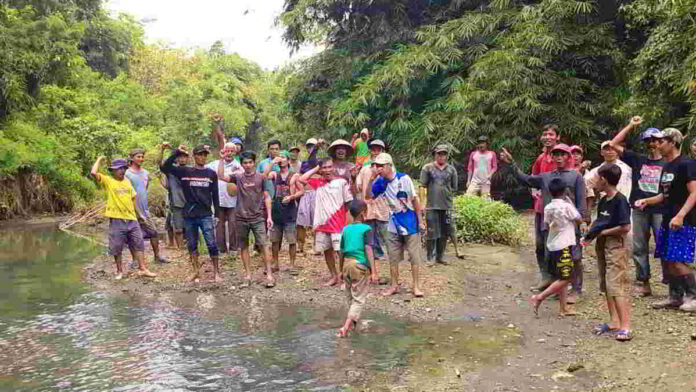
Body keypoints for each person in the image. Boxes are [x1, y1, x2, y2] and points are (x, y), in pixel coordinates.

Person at [500, 144, 587, 294]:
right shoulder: (546, 177)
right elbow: (526, 179)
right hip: (551, 225)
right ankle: (557, 287)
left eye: (562, 154)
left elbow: (581, 199)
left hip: (570, 224)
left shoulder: (576, 176)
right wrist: (511, 163)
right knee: (552, 255)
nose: (559, 157)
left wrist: (584, 220)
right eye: (556, 154)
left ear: (568, 157)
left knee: (575, 256)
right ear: (552, 157)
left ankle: (576, 289)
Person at [636, 128, 696, 312]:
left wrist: (681, 215)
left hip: (684, 220)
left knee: (678, 260)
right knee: (668, 259)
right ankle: (675, 296)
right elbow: (665, 194)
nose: (657, 145)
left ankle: (693, 296)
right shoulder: (667, 166)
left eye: (661, 141)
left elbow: (694, 192)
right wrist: (647, 200)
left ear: (673, 143)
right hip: (667, 218)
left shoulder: (687, 164)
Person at [609, 116, 666, 297]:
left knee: (663, 245)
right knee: (639, 246)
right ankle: (643, 282)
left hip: (661, 208)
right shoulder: (638, 159)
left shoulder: (668, 162)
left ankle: (672, 283)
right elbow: (613, 143)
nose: (652, 144)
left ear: (662, 142)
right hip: (639, 208)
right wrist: (632, 125)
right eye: (648, 141)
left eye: (655, 140)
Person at [581, 163, 633, 341]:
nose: (593, 181)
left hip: (616, 246)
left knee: (616, 285)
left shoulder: (620, 200)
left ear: (604, 180)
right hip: (603, 245)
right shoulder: (603, 200)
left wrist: (604, 232)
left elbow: (625, 227)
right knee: (606, 284)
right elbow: (600, 222)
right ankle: (614, 321)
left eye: (596, 178)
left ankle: (626, 326)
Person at [161, 144, 222, 283]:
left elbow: (215, 195)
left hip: (206, 214)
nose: (202, 157)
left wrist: (217, 214)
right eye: (199, 154)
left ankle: (216, 272)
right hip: (189, 215)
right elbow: (165, 167)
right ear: (194, 156)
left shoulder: (211, 174)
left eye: (204, 155)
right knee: (192, 244)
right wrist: (177, 153)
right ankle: (195, 272)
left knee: (211, 243)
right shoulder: (185, 171)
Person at [368, 153, 425, 297]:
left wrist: (421, 220)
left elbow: (414, 199)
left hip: (410, 221)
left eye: (381, 166)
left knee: (414, 255)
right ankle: (394, 285)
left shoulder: (403, 178)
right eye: (376, 166)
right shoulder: (381, 182)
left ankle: (416, 286)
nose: (378, 168)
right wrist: (371, 180)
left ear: (389, 166)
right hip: (393, 222)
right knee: (393, 256)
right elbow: (369, 196)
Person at [90, 156, 156, 279]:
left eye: (123, 168)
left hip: (132, 219)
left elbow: (133, 198)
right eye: (118, 169)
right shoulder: (109, 181)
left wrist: (139, 215)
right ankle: (119, 271)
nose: (121, 171)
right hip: (116, 220)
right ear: (113, 171)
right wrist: (99, 159)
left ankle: (143, 269)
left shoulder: (127, 182)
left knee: (139, 243)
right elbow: (93, 173)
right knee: (117, 246)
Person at [217, 151, 276, 287]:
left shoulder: (261, 178)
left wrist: (270, 216)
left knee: (264, 246)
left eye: (250, 162)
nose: (248, 165)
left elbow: (267, 197)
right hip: (241, 218)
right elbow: (220, 175)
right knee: (243, 247)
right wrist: (221, 159)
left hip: (258, 217)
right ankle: (248, 275)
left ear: (254, 162)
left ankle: (269, 275)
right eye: (245, 163)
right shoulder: (238, 177)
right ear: (242, 164)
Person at [530, 178, 583, 316]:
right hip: (565, 245)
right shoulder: (567, 206)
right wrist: (571, 203)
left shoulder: (548, 207)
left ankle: (563, 308)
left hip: (553, 245)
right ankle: (539, 297)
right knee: (567, 278)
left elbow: (547, 223)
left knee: (561, 276)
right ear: (565, 191)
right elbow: (579, 219)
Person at [298, 158, 354, 286]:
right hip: (322, 225)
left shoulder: (341, 182)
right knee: (326, 251)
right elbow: (301, 180)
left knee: (340, 252)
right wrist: (317, 168)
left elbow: (348, 202)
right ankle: (334, 276)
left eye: (330, 167)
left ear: (333, 167)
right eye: (324, 168)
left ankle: (343, 277)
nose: (327, 170)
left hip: (338, 224)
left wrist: (348, 221)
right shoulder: (318, 182)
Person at [338, 200, 379, 337]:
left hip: (346, 265)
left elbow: (342, 251)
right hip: (359, 265)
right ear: (363, 213)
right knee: (359, 299)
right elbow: (368, 249)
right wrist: (374, 271)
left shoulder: (346, 229)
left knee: (350, 297)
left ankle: (353, 327)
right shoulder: (366, 229)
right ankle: (345, 327)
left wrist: (339, 271)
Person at [530, 124, 562, 291]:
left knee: (555, 245)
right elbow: (533, 178)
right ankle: (545, 277)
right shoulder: (541, 158)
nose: (548, 137)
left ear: (557, 137)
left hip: (557, 209)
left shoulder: (563, 156)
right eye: (545, 134)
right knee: (540, 244)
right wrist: (534, 191)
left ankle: (557, 280)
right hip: (540, 208)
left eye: (551, 134)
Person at [420, 144, 463, 264]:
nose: (441, 156)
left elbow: (454, 187)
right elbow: (422, 186)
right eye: (439, 154)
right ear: (435, 154)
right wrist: (422, 204)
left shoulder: (451, 170)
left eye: (444, 154)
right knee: (432, 232)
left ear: (447, 156)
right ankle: (430, 257)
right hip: (431, 205)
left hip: (447, 205)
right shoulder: (427, 168)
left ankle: (440, 257)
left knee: (445, 232)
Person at [126, 148, 169, 265]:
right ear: (132, 158)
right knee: (132, 236)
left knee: (154, 233)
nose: (141, 159)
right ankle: (135, 260)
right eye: (138, 157)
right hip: (132, 210)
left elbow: (145, 188)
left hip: (144, 209)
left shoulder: (145, 173)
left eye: (142, 157)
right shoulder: (127, 174)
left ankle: (157, 256)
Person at [267, 151, 304, 271]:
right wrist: (272, 162)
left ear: (288, 161)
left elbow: (301, 190)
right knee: (274, 240)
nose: (281, 159)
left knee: (292, 240)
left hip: (290, 211)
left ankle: (292, 264)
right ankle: (275, 263)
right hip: (276, 210)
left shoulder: (294, 175)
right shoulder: (274, 174)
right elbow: (263, 175)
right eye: (280, 157)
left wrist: (292, 197)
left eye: (283, 157)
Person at [206, 142, 242, 255]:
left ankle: (233, 249)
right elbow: (202, 169)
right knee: (219, 225)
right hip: (217, 200)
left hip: (233, 201)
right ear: (223, 151)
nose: (229, 153)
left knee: (233, 225)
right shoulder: (214, 164)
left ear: (235, 153)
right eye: (227, 150)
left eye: (232, 151)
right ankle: (221, 249)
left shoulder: (238, 166)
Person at [585, 141, 633, 213]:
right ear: (602, 152)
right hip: (606, 205)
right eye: (607, 149)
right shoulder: (597, 171)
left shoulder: (627, 168)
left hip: (625, 204)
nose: (610, 151)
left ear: (617, 151)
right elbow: (586, 184)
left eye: (612, 149)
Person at [297, 138, 326, 254]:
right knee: (301, 221)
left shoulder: (320, 161)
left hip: (318, 193)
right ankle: (300, 246)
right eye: (309, 146)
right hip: (305, 193)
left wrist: (317, 148)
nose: (311, 149)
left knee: (317, 221)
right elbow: (301, 176)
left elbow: (314, 162)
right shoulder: (304, 163)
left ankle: (317, 246)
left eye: (312, 146)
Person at [158, 144, 189, 249]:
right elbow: (163, 166)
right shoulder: (171, 171)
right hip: (176, 202)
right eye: (180, 157)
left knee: (189, 226)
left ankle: (188, 247)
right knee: (178, 227)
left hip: (189, 202)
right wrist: (174, 152)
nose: (182, 159)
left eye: (184, 156)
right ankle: (180, 248)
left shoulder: (191, 170)